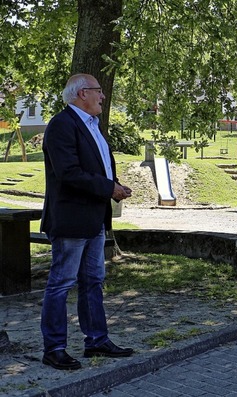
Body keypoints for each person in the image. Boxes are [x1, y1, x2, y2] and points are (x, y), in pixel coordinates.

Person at [40, 74, 134, 370]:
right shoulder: (62, 125)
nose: (103, 97)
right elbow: (68, 172)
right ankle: (54, 348)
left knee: (93, 281)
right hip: (70, 220)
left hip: (94, 219)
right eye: (98, 91)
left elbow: (98, 167)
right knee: (61, 283)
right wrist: (109, 188)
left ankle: (96, 340)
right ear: (82, 94)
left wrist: (115, 184)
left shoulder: (93, 126)